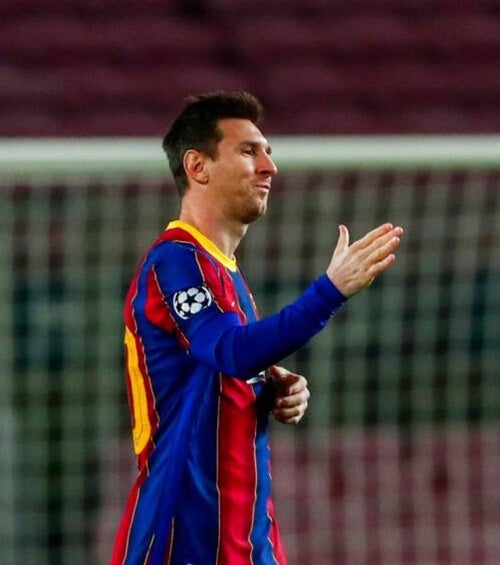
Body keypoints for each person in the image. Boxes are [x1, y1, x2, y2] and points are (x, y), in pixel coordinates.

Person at [111, 91, 403, 564]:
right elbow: (229, 350)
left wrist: (269, 389)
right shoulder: (176, 261)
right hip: (182, 534)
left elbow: (223, 369)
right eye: (249, 151)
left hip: (245, 536)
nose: (269, 167)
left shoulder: (225, 274)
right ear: (197, 166)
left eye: (268, 152)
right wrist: (330, 291)